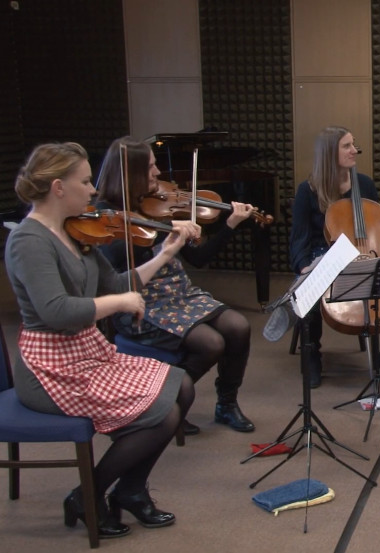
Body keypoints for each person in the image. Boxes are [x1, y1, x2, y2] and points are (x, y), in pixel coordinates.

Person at [5, 142, 199, 538]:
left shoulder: (74, 229)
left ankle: (128, 491)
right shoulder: (29, 241)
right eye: (85, 181)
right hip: (50, 368)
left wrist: (165, 254)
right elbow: (56, 311)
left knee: (183, 387)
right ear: (58, 187)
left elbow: (117, 284)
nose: (93, 189)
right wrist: (118, 304)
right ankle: (88, 495)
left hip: (85, 352)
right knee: (163, 414)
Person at [95, 136, 256, 435]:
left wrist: (230, 224)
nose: (158, 173)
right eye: (150, 167)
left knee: (238, 326)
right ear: (130, 173)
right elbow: (113, 263)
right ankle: (168, 403)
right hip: (140, 304)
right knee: (211, 343)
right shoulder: (105, 215)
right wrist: (165, 230)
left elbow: (199, 258)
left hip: (179, 294)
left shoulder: (157, 204)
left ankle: (226, 404)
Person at [288, 125, 380, 389]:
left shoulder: (364, 184)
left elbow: (379, 230)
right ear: (330, 153)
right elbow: (299, 239)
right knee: (309, 294)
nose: (355, 150)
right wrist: (304, 267)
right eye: (347, 146)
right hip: (324, 257)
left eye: (354, 144)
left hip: (365, 255)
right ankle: (312, 355)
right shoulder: (308, 191)